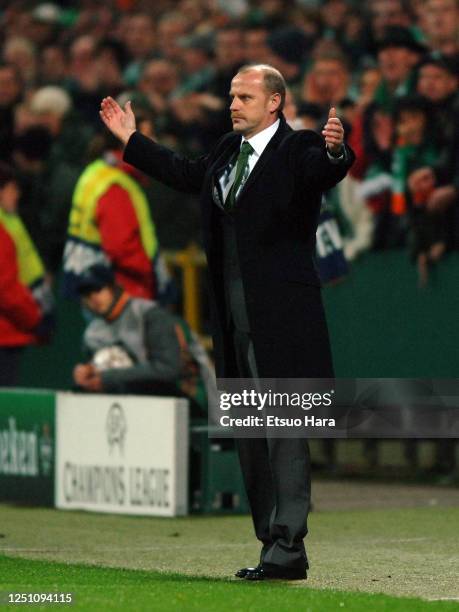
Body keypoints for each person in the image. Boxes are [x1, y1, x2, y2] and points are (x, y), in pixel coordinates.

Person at [100, 63, 354, 580]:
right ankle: (272, 547)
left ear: (274, 102)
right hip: (231, 316)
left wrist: (336, 151)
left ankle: (288, 546)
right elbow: (184, 174)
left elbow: (324, 169)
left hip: (280, 318)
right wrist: (134, 141)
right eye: (231, 95)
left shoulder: (298, 147)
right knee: (251, 434)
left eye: (243, 96)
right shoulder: (224, 152)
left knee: (283, 429)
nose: (233, 103)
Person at [73, 264, 215, 418]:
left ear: (113, 288)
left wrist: (106, 378)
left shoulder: (150, 315)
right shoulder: (93, 332)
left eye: (98, 289)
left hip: (189, 402)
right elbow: (105, 374)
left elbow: (167, 369)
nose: (93, 298)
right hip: (136, 407)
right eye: (86, 294)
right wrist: (88, 373)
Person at [0, 162, 53, 386]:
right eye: (13, 188)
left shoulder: (10, 223)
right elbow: (6, 289)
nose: (17, 195)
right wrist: (35, 318)